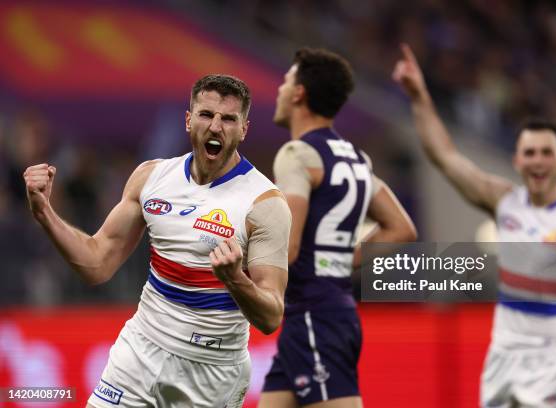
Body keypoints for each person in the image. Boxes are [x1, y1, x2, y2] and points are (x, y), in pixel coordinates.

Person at [23, 74, 292, 407]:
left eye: (228, 119)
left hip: (212, 371)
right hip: (140, 350)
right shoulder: (151, 178)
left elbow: (271, 317)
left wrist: (235, 279)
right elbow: (96, 263)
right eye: (206, 115)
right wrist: (44, 214)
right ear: (188, 119)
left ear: (243, 129)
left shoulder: (264, 204)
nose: (216, 127)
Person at [392, 43, 556, 407]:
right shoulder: (503, 200)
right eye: (530, 153)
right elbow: (445, 157)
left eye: (546, 153)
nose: (537, 161)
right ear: (517, 159)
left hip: (554, 357)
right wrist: (419, 97)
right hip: (503, 353)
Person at [258, 48, 417, 408]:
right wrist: (339, 262)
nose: (280, 90)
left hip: (314, 316)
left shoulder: (296, 155)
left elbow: (289, 247)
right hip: (326, 312)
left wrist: (235, 277)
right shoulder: (357, 159)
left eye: (286, 82)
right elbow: (401, 228)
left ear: (299, 93)